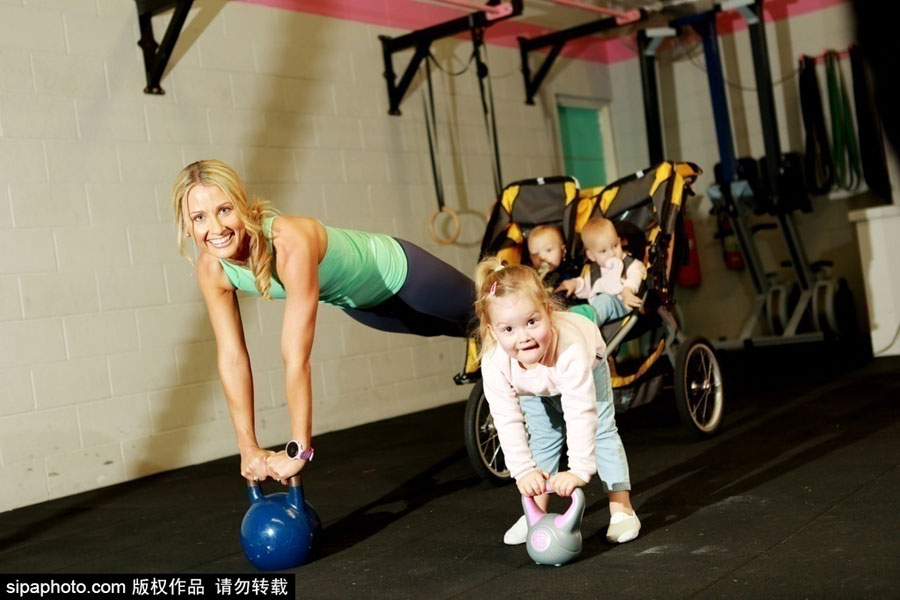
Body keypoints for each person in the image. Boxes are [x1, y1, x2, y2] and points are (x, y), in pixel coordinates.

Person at [171, 160, 475, 484]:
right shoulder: (211, 269)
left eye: (224, 210)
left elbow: (295, 357)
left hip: (403, 272)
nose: (216, 229)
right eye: (199, 217)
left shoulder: (288, 242)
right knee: (459, 331)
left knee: (486, 316)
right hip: (364, 305)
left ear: (241, 206)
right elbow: (232, 358)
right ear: (187, 226)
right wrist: (247, 447)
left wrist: (299, 449)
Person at [474, 257, 640, 545]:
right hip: (535, 384)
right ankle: (534, 512)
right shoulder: (494, 361)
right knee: (544, 437)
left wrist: (578, 469)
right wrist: (523, 471)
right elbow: (506, 417)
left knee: (602, 431)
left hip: (589, 365)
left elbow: (580, 412)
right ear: (492, 331)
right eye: (508, 330)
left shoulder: (570, 349)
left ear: (548, 312)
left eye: (532, 322)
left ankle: (622, 508)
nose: (523, 337)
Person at [557, 217, 645, 324]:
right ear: (591, 255)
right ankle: (567, 321)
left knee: (605, 301)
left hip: (624, 305)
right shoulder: (595, 272)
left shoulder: (630, 264)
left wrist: (627, 290)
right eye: (603, 251)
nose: (612, 253)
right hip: (599, 311)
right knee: (580, 308)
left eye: (615, 246)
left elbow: (636, 274)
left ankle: (583, 327)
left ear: (619, 241)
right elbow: (586, 286)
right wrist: (575, 284)